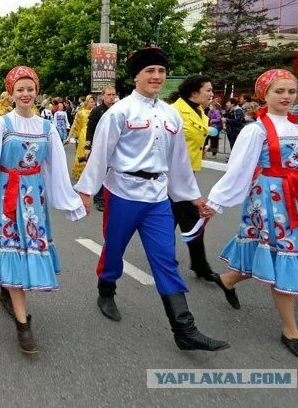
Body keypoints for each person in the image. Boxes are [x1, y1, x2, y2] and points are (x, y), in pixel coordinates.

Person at [74, 46, 229, 352]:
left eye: (161, 71)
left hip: (158, 197)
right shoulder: (120, 112)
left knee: (165, 259)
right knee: (114, 248)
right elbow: (101, 153)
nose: (157, 76)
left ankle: (185, 329)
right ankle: (106, 288)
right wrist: (85, 191)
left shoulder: (171, 114)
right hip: (123, 192)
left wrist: (193, 197)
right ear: (136, 77)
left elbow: (179, 161)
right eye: (150, 71)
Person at [0, 66, 85, 354]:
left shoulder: (47, 129)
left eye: (30, 89)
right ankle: (23, 324)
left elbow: (55, 167)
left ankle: (8, 292)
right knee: (12, 247)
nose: (26, 94)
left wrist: (71, 201)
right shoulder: (1, 125)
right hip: (7, 194)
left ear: (37, 91)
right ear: (11, 93)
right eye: (20, 89)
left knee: (28, 247)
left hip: (33, 198)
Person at [207, 69, 298, 364]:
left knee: (272, 253)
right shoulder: (255, 130)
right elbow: (239, 170)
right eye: (279, 91)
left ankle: (227, 280)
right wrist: (215, 202)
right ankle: (290, 331)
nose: (286, 97)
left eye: (291, 91)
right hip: (269, 200)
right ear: (264, 95)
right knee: (285, 256)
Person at [170, 75, 217, 280]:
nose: (211, 94)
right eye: (208, 90)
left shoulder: (199, 111)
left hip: (189, 173)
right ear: (194, 92)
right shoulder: (174, 112)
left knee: (174, 219)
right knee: (191, 219)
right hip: (172, 175)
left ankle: (190, 262)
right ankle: (199, 265)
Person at [85, 87, 117, 211]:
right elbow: (90, 129)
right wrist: (87, 147)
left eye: (113, 94)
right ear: (103, 96)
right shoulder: (97, 111)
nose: (111, 97)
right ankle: (99, 199)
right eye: (108, 94)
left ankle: (110, 197)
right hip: (100, 147)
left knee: (113, 173)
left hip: (114, 147)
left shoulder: (118, 110)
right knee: (101, 173)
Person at [68, 94, 95, 181]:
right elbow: (74, 125)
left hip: (94, 134)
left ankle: (90, 173)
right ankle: (81, 172)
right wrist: (69, 137)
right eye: (91, 102)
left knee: (92, 154)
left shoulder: (95, 111)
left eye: (94, 102)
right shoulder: (80, 113)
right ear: (87, 102)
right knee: (83, 153)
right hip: (83, 135)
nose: (93, 103)